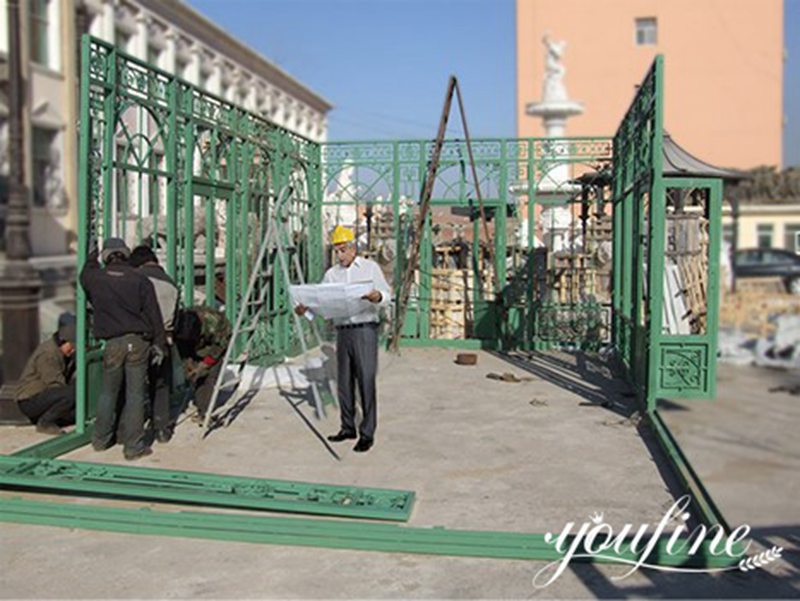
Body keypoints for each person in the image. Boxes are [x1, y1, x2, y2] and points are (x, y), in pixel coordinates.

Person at [295, 225, 390, 453]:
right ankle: (348, 427)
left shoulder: (370, 268)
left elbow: (387, 295)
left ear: (354, 248)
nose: (340, 255)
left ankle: (367, 433)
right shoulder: (331, 275)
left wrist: (377, 296)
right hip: (343, 332)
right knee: (344, 382)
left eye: (344, 249)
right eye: (337, 250)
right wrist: (306, 310)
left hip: (365, 330)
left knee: (365, 380)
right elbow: (322, 305)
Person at [80, 238, 166, 461]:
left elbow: (85, 274)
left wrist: (91, 255)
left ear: (106, 256)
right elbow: (154, 315)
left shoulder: (95, 278)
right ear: (126, 254)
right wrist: (159, 343)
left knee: (108, 392)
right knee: (135, 395)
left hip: (112, 344)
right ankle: (133, 447)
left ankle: (100, 440)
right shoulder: (140, 279)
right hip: (137, 342)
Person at [129, 244, 179, 443]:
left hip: (140, 339)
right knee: (161, 384)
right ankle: (162, 429)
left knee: (134, 384)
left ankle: (132, 429)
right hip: (165, 339)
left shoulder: (137, 280)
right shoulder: (171, 283)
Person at [14, 313, 77, 434]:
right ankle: (45, 423)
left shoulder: (63, 354)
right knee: (71, 394)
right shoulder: (48, 354)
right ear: (63, 342)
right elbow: (55, 384)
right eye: (71, 347)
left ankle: (47, 418)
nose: (73, 350)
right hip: (30, 399)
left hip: (43, 396)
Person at [173, 305, 231, 421]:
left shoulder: (214, 322)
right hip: (192, 345)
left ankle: (205, 411)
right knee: (195, 375)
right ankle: (200, 402)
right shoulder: (178, 323)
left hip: (215, 343)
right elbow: (181, 348)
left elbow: (219, 346)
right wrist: (189, 366)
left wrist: (205, 364)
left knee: (209, 376)